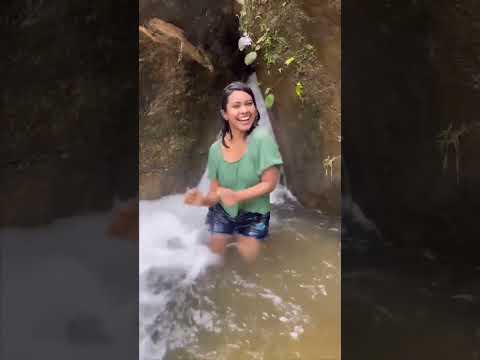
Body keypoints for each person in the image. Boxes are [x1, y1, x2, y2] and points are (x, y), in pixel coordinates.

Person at [184, 81, 283, 262]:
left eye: (249, 103)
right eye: (236, 106)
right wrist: (202, 200)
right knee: (212, 260)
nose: (245, 110)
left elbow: (270, 183)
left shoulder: (262, 140)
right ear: (225, 114)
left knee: (248, 263)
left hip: (254, 214)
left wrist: (237, 196)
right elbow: (215, 193)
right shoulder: (215, 149)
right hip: (222, 211)